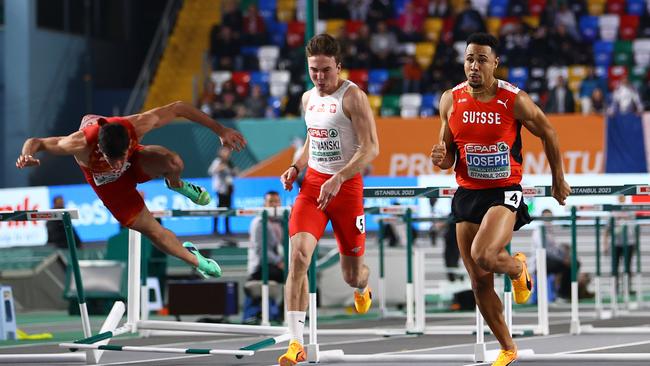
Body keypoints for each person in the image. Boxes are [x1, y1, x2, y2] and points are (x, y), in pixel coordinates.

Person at [430, 33, 571, 366]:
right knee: (479, 282)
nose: (474, 65)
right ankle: (508, 347)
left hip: (503, 189)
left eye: (481, 59)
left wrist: (558, 179)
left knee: (484, 254)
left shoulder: (513, 100)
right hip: (467, 192)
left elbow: (548, 131)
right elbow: (448, 156)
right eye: (469, 59)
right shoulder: (450, 99)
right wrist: (441, 158)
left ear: (495, 63)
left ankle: (518, 267)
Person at [16, 101, 246, 279]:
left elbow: (179, 107)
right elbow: (36, 141)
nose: (116, 164)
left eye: (119, 158)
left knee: (174, 162)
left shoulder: (137, 124)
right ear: (99, 149)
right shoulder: (78, 143)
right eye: (110, 159)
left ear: (129, 142)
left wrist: (220, 130)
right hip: (111, 187)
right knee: (153, 230)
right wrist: (27, 154)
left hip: (136, 162)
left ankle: (176, 184)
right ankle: (196, 261)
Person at [278, 33, 379, 366]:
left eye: (325, 70)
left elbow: (371, 148)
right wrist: (296, 166)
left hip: (346, 189)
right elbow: (311, 140)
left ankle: (363, 288)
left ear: (338, 66)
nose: (319, 77)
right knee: (298, 258)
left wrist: (339, 177)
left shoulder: (353, 98)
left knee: (353, 275)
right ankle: (295, 342)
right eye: (313, 70)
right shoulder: (308, 98)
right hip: (313, 188)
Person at [208, 147, 238, 235]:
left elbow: (235, 173)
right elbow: (211, 171)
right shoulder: (217, 161)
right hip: (220, 189)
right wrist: (220, 168)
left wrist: (233, 171)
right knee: (219, 209)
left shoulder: (229, 163)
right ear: (220, 153)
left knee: (228, 209)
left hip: (228, 189)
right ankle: (215, 229)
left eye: (228, 153)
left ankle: (227, 229)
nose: (227, 154)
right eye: (225, 152)